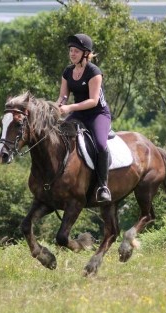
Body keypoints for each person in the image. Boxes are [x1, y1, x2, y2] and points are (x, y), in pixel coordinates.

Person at [57, 33, 112, 202]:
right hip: (79, 114)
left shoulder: (94, 72)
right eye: (71, 51)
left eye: (76, 51)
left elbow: (93, 101)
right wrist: (56, 107)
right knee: (57, 137)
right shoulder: (67, 71)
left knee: (101, 145)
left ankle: (103, 186)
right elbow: (63, 97)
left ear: (85, 54)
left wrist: (69, 107)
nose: (72, 54)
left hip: (97, 113)